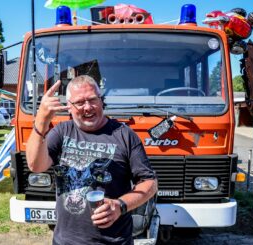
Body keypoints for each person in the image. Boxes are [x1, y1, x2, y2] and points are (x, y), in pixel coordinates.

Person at [26, 75, 157, 245]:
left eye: (93, 99)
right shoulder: (61, 132)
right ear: (70, 107)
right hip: (66, 241)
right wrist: (41, 121)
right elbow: (35, 165)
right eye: (80, 102)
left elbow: (150, 183)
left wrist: (120, 206)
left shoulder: (125, 135)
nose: (88, 107)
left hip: (114, 241)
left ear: (101, 101)